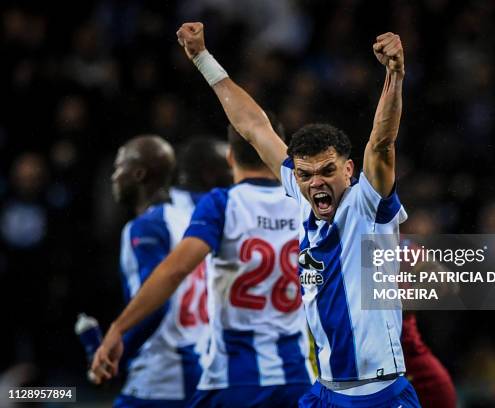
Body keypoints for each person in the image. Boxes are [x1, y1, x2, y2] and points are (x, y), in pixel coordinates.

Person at [173, 21, 420, 407]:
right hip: (324, 391)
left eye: (327, 171)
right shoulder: (302, 194)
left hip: (379, 394)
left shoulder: (366, 205)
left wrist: (395, 74)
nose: (316, 183)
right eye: (305, 175)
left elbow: (383, 141)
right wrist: (203, 58)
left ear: (349, 170)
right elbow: (254, 127)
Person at [93, 121, 313, 408]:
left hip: (225, 377)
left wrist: (118, 331)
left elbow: (174, 273)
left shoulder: (221, 205)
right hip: (299, 372)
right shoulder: (310, 204)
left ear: (232, 158)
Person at [104, 135, 208, 407]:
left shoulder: (145, 227)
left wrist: (117, 351)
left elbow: (156, 303)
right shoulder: (191, 216)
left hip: (161, 372)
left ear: (138, 174)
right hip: (200, 361)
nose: (114, 176)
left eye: (119, 167)